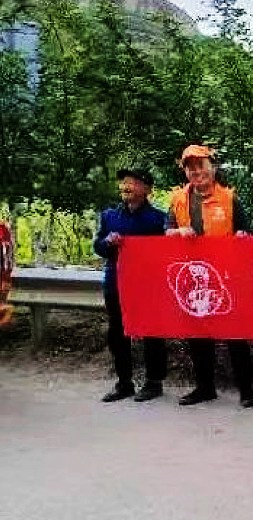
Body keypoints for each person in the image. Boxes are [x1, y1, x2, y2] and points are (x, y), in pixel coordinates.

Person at [166, 144, 253, 407]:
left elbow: (246, 232)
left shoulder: (229, 198)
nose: (196, 171)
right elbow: (166, 232)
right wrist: (179, 232)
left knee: (235, 335)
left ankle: (246, 390)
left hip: (226, 277)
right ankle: (205, 388)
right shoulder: (177, 199)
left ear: (212, 168)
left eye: (200, 165)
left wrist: (243, 236)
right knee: (197, 335)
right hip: (193, 277)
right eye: (190, 167)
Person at [94, 167, 169, 403]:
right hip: (116, 283)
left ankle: (154, 382)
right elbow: (98, 246)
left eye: (133, 182)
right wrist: (107, 242)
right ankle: (124, 382)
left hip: (148, 286)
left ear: (147, 189)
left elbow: (167, 253)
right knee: (117, 333)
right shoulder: (109, 216)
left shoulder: (158, 219)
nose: (126, 187)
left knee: (152, 333)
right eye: (124, 182)